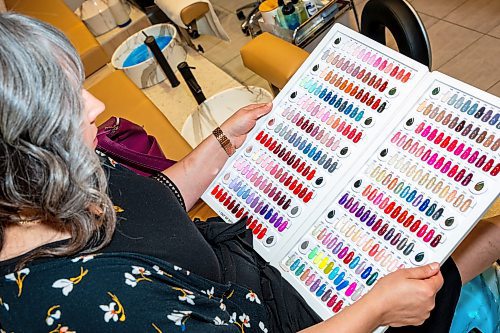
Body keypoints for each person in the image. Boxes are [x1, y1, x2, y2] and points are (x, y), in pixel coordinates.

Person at [0, 12, 498, 333]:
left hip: (259, 260)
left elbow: (149, 208)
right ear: (21, 153)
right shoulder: (86, 309)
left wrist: (219, 145)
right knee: (486, 237)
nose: (96, 106)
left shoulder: (52, 176)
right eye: (67, 108)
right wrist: (375, 311)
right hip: (295, 318)